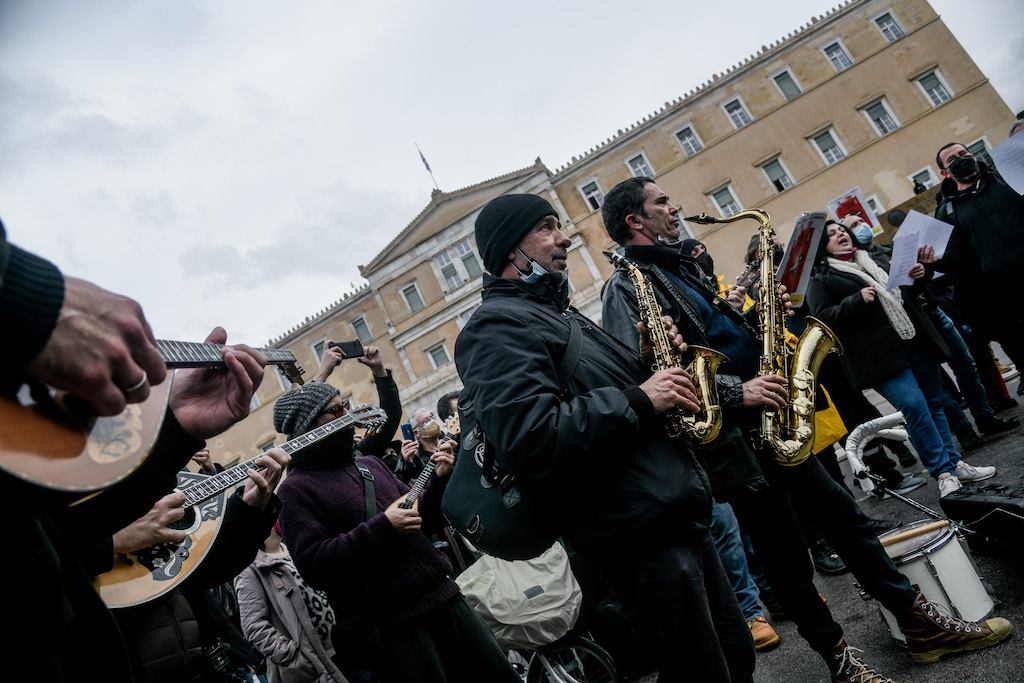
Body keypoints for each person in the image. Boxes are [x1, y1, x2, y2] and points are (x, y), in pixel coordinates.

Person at [600, 177, 1012, 680]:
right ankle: (840, 661)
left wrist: (763, 316)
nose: (676, 205)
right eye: (661, 201)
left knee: (848, 523)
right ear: (634, 221)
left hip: (773, 421)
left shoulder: (682, 264)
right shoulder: (627, 285)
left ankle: (922, 626)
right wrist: (739, 392)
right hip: (737, 441)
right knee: (788, 563)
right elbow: (652, 375)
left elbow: (719, 336)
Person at [456, 192, 755, 683]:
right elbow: (528, 435)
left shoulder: (559, 315)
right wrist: (641, 397)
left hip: (674, 516)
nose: (564, 237)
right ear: (511, 248)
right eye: (548, 228)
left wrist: (647, 360)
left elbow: (613, 394)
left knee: (735, 658)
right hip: (637, 536)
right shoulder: (494, 329)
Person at [272, 382, 518, 683]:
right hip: (395, 629)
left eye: (345, 404)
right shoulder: (294, 490)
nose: (348, 414)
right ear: (307, 425)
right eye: (336, 410)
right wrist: (383, 528)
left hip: (446, 598)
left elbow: (424, 520)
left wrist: (440, 482)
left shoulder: (370, 464)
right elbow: (314, 565)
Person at [807, 220, 1000, 498]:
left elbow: (907, 292)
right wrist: (856, 301)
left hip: (913, 340)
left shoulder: (874, 257)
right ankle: (943, 472)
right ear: (822, 247)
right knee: (914, 405)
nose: (841, 234)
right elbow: (823, 318)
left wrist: (920, 274)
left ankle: (955, 465)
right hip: (880, 358)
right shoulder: (822, 277)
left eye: (842, 230)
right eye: (832, 234)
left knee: (934, 403)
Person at [841, 213, 1019, 445]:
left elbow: (920, 281)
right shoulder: (860, 266)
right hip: (913, 323)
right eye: (853, 226)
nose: (861, 226)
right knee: (937, 385)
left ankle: (984, 416)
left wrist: (924, 268)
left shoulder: (889, 250)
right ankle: (964, 432)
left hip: (932, 311)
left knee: (966, 364)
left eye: (861, 221)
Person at [920, 143, 1024, 385]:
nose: (961, 159)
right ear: (945, 172)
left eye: (963, 154)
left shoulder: (1005, 178)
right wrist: (936, 260)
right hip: (1003, 294)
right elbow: (956, 256)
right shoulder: (947, 210)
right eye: (952, 159)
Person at [235, 521, 349, 683]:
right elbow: (254, 627)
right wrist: (294, 656)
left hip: (344, 649)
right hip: (314, 667)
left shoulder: (294, 548)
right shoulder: (249, 569)